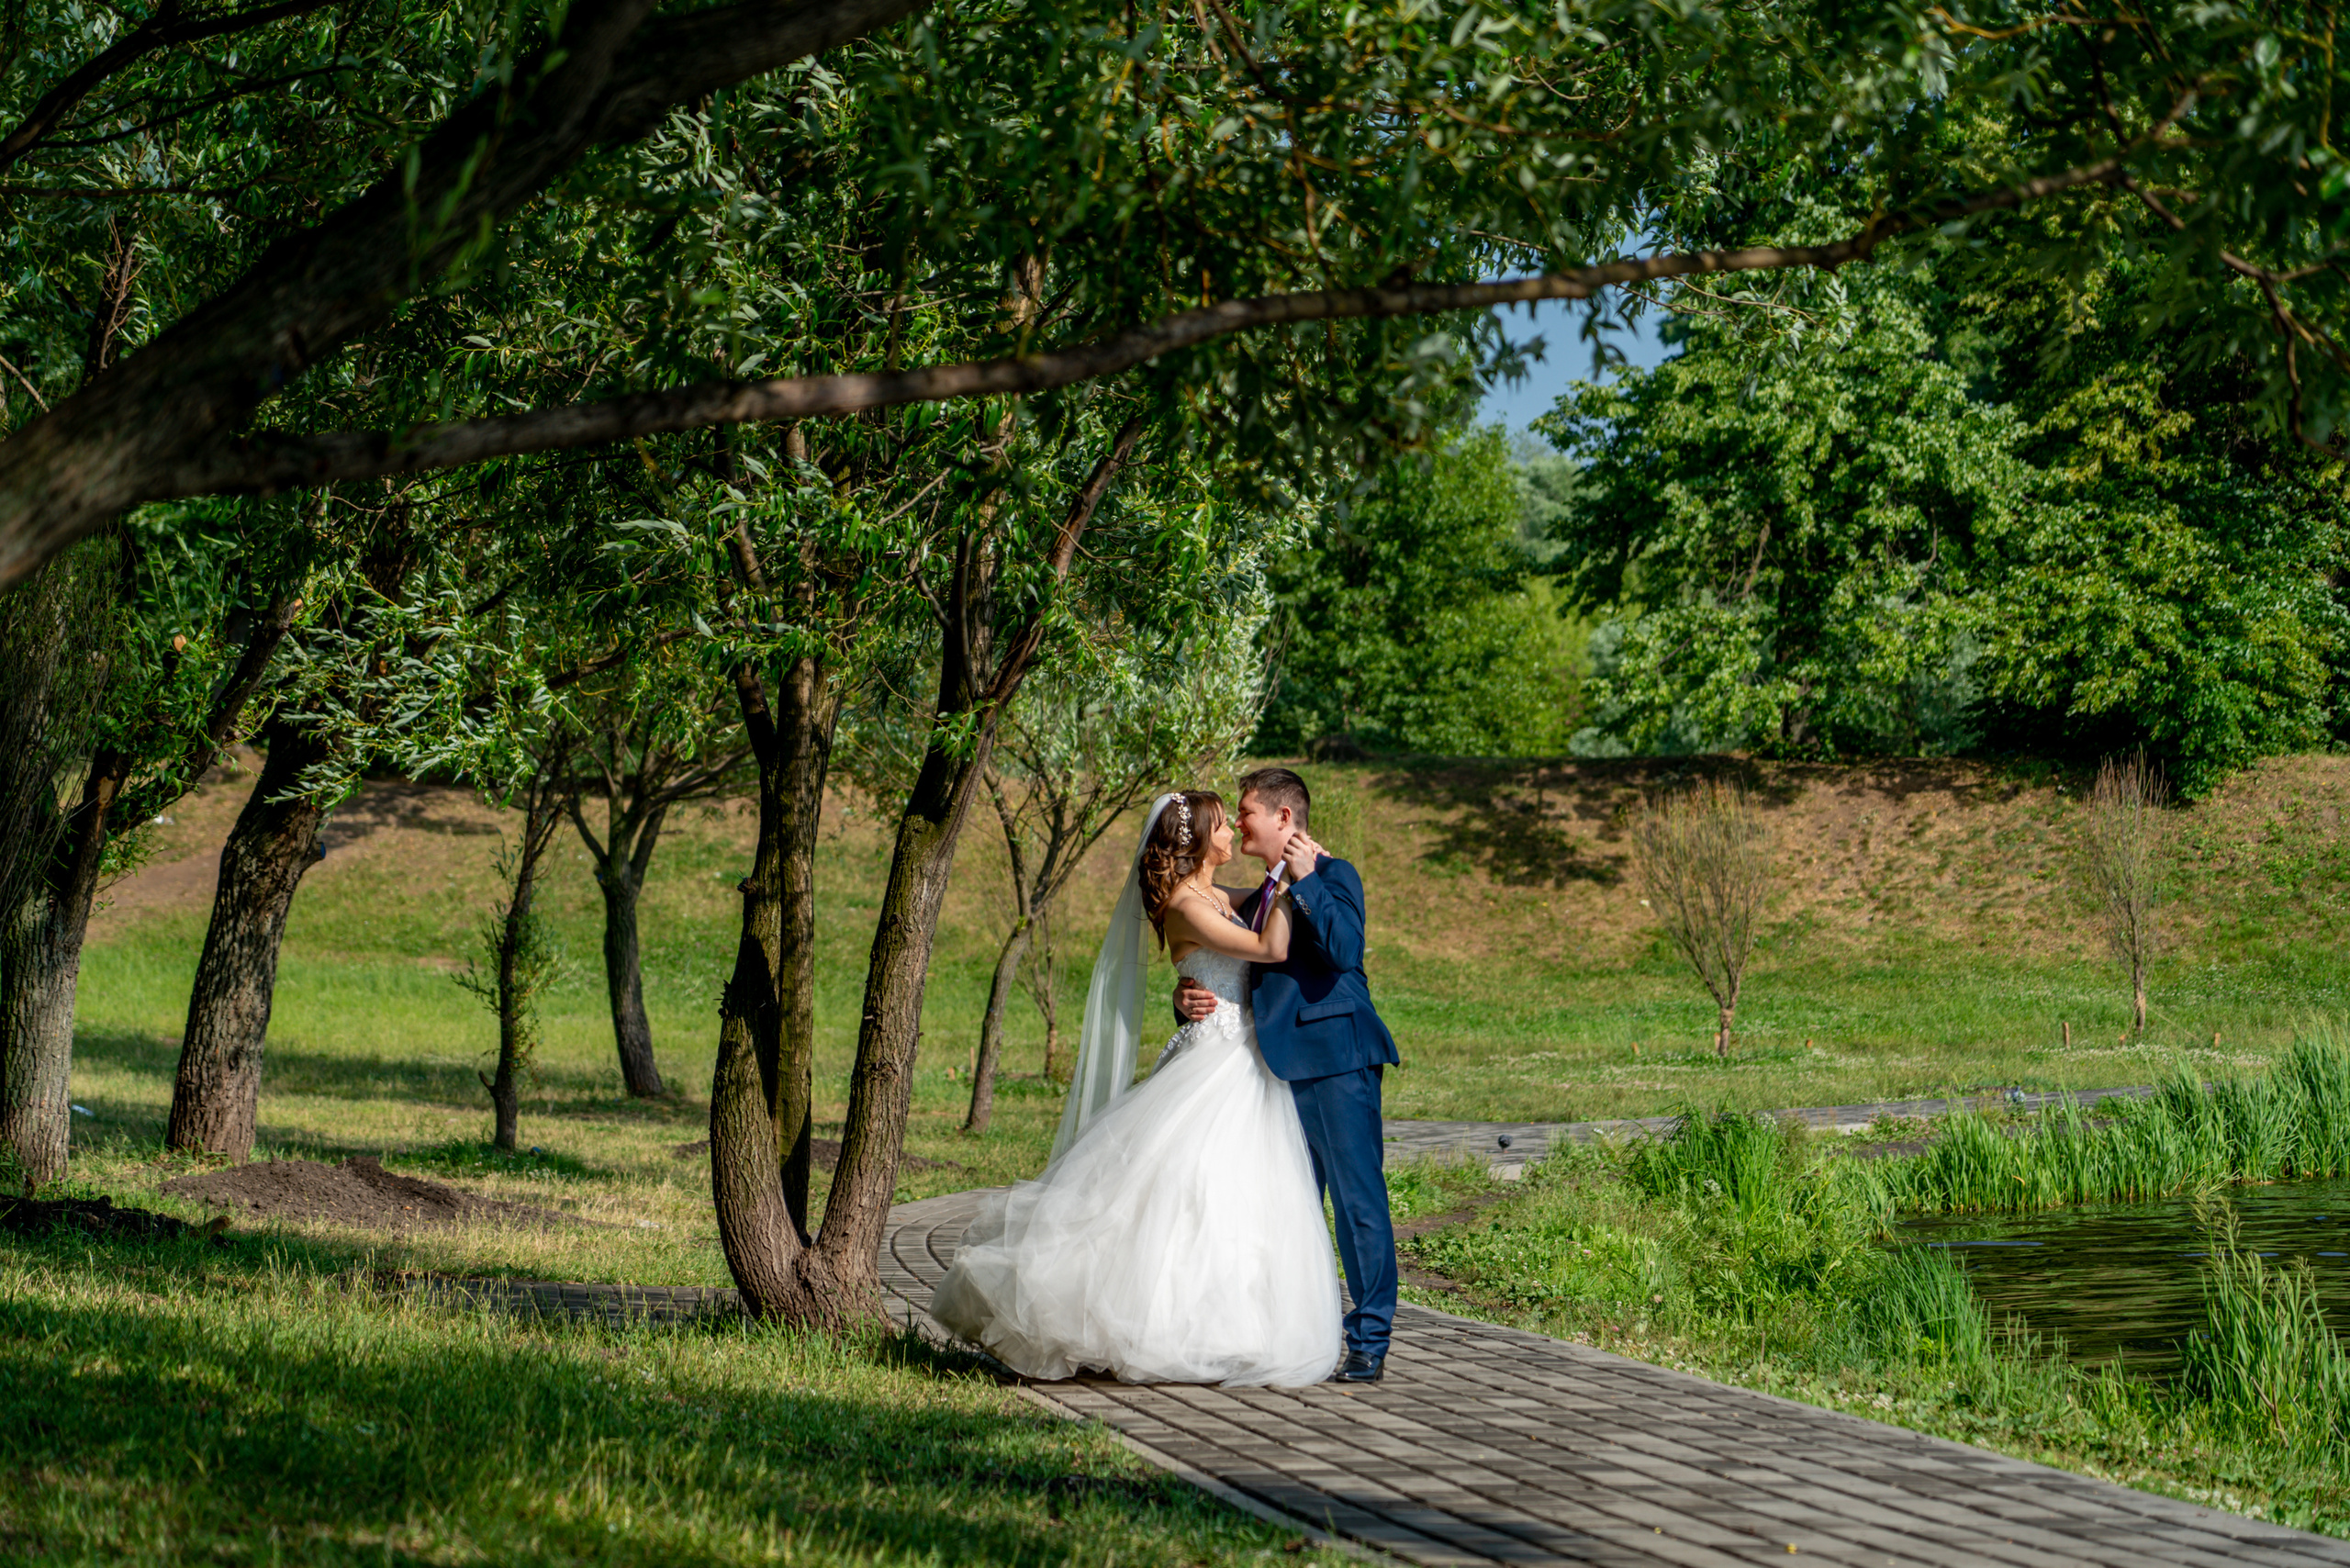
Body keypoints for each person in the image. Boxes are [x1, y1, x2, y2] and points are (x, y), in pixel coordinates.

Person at [930, 790, 1343, 1386]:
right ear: (1195, 841)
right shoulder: (1183, 902)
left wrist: (1294, 870)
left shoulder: (1211, 894)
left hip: (1241, 1060)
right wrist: (1289, 886)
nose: (1230, 835)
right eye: (1222, 827)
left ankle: (1225, 1329)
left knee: (1230, 1200)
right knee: (1179, 1196)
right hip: (1214, 1063)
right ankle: (1140, 1324)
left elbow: (1256, 907)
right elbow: (1268, 946)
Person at [1174, 766, 1399, 1383]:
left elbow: (1345, 950)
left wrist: (1305, 880)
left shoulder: (1331, 874)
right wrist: (1187, 996)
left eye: (1245, 811)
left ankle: (1369, 1339)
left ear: (1284, 818)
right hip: (1271, 1071)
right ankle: (1295, 1331)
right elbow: (1224, 954)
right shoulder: (1263, 892)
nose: (1239, 823)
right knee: (1290, 1208)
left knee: (1357, 1204)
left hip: (1337, 1059)